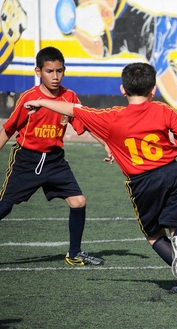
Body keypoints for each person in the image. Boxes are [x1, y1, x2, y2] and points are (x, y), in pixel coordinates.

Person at [25, 62, 177, 295]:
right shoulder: (164, 110)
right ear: (153, 90)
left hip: (143, 183)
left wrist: (41, 101)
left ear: (122, 89)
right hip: (173, 173)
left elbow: (72, 109)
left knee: (154, 236)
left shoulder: (111, 117)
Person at [0, 46, 104, 266]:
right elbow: (8, 129)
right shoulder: (29, 97)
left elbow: (85, 123)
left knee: (78, 202)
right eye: (49, 71)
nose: (55, 76)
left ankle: (74, 254)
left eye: (59, 71)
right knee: (5, 206)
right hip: (27, 160)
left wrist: (106, 144)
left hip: (55, 160)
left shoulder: (69, 97)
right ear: (39, 72)